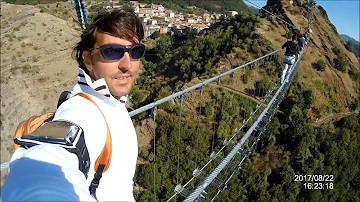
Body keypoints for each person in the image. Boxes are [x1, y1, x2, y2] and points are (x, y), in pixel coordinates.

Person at [2, 8, 145, 201]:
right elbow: (41, 169)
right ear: (87, 59)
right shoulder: (83, 112)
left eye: (135, 52)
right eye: (112, 52)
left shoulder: (111, 102)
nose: (127, 64)